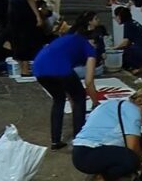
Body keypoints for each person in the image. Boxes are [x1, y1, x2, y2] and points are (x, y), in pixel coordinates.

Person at [72, 88, 142, 181]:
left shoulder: (117, 104)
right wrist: (141, 166)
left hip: (82, 151)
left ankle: (103, 172)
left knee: (139, 139)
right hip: (87, 155)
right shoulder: (133, 112)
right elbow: (132, 148)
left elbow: (138, 141)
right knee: (131, 160)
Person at [32, 14, 100, 150]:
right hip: (59, 69)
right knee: (80, 98)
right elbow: (88, 82)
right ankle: (79, 139)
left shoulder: (68, 38)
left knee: (58, 99)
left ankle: (55, 141)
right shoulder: (89, 48)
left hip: (39, 67)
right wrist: (96, 103)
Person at [6, 0, 44, 77]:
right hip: (23, 10)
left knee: (16, 37)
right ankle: (25, 69)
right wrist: (37, 15)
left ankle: (21, 65)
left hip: (12, 9)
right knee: (26, 38)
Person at [112, 6, 142, 75]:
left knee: (124, 56)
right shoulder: (133, 22)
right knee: (127, 50)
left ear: (119, 16)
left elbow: (125, 42)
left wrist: (113, 48)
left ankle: (139, 67)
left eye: (115, 16)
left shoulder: (128, 25)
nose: (115, 19)